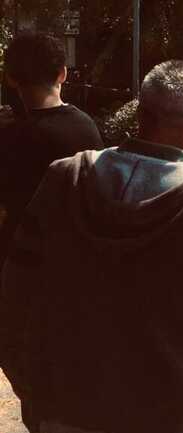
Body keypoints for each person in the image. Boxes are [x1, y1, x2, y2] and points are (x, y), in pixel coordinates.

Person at [0, 60, 183, 433]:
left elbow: (14, 292)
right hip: (164, 409)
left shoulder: (63, 177)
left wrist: (31, 388)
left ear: (139, 114)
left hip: (62, 402)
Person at [0, 33, 103, 271]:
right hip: (77, 260)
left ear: (11, 79)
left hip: (19, 264)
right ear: (63, 74)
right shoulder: (87, 127)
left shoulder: (10, 137)